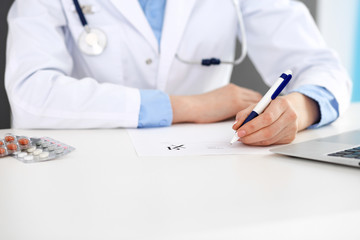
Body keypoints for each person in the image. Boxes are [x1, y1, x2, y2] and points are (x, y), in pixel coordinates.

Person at [5, 0, 352, 146]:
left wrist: (300, 108)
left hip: (207, 168)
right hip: (89, 169)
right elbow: (30, 93)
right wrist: (187, 107)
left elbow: (323, 66)